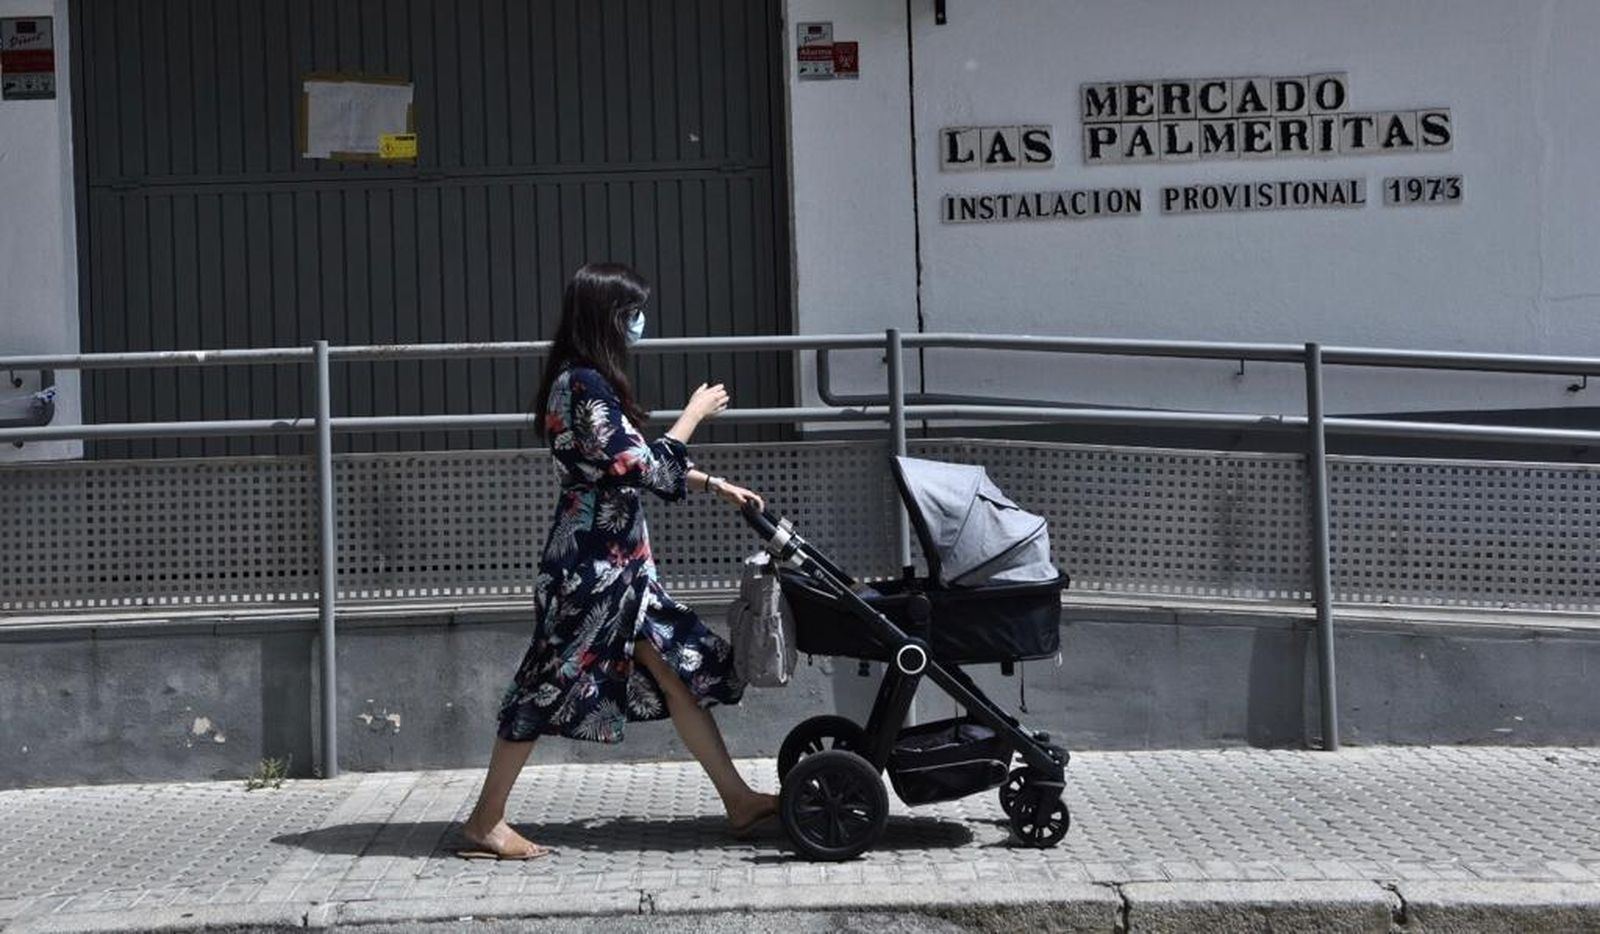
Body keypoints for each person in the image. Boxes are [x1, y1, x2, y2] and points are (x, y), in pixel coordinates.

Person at [457, 262, 775, 860]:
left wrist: (712, 484)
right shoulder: (582, 385)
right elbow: (638, 466)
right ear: (607, 318)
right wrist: (693, 415)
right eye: (632, 313)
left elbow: (621, 463)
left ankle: (738, 799)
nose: (641, 323)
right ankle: (484, 821)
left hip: (622, 569)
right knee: (546, 683)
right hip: (593, 571)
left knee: (675, 674)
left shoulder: (585, 382)